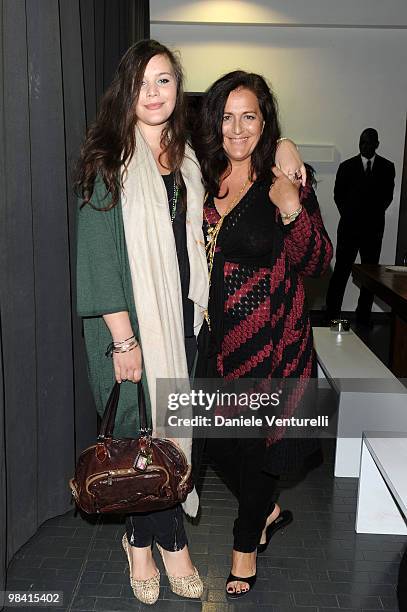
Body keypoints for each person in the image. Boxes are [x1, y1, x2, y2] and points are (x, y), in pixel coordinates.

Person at [75, 41, 306, 605]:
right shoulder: (110, 161)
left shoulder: (187, 159)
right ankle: (144, 543)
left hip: (185, 325)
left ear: (179, 91)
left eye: (165, 82)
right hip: (128, 328)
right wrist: (122, 339)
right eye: (143, 83)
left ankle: (169, 536)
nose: (153, 95)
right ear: (126, 90)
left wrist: (288, 146)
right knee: (139, 438)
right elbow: (99, 255)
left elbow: (248, 137)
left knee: (173, 442)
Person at [194, 70, 333, 599]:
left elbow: (318, 259)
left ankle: (243, 550)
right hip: (214, 339)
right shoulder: (202, 177)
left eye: (248, 115)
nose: (236, 128)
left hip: (272, 345)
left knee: (255, 450)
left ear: (264, 121)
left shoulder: (285, 178)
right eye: (226, 116)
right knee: (210, 445)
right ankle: (268, 508)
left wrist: (292, 205)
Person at [325, 128, 395, 327]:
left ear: (377, 145)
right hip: (349, 228)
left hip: (373, 231)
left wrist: (370, 217)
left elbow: (387, 197)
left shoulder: (387, 167)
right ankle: (331, 313)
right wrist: (351, 215)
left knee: (370, 276)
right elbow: (338, 195)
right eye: (362, 142)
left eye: (369, 143)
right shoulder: (347, 167)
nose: (365, 146)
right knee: (341, 272)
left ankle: (364, 315)